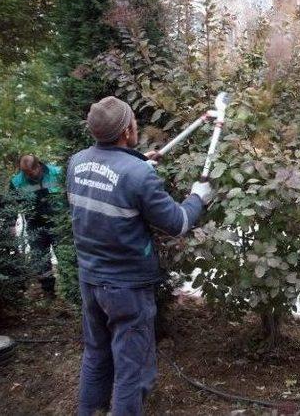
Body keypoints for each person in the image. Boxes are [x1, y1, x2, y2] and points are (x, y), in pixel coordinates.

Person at [67, 96, 213, 416]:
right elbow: (178, 223)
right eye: (133, 122)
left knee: (95, 354)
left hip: (90, 280)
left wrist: (136, 163)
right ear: (127, 130)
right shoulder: (137, 175)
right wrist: (199, 198)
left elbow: (108, 181)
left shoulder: (76, 162)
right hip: (127, 289)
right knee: (130, 371)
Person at [10, 154, 62, 296]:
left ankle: (72, 289)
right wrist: (11, 225)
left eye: (30, 172)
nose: (27, 175)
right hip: (35, 225)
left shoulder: (57, 173)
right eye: (24, 172)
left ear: (38, 166)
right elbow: (11, 203)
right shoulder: (17, 182)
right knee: (40, 259)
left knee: (65, 256)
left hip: (58, 223)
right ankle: (48, 292)